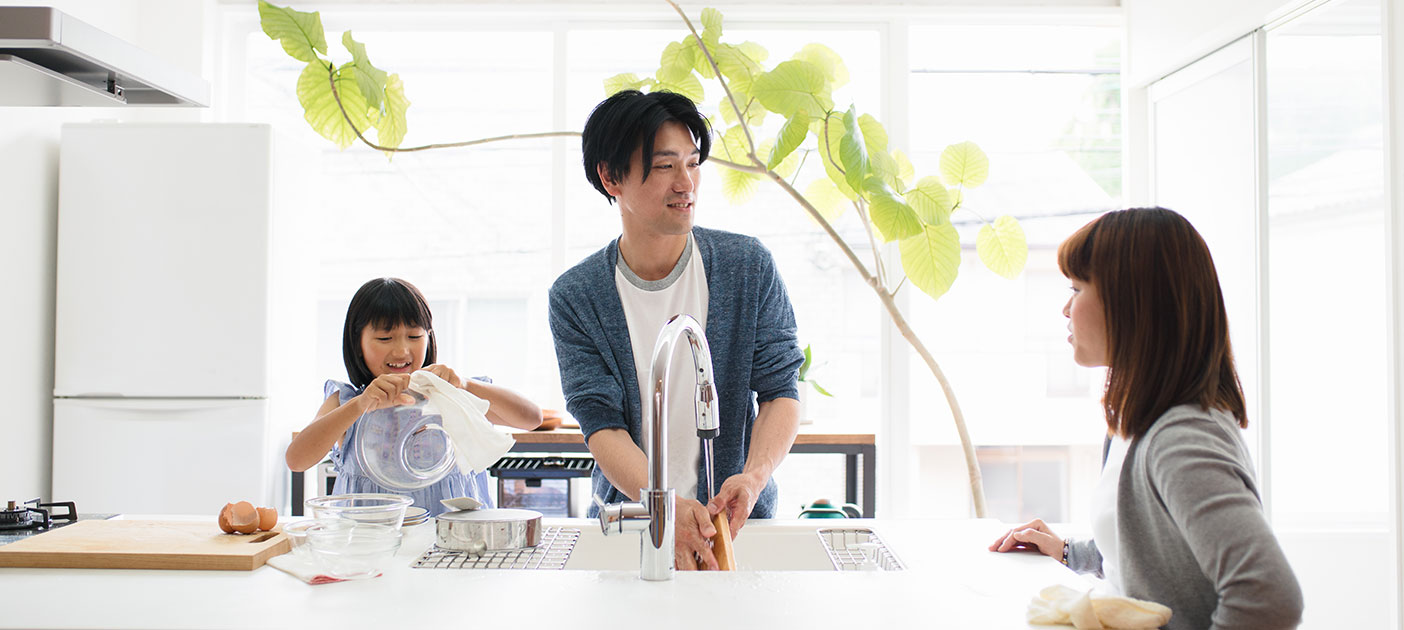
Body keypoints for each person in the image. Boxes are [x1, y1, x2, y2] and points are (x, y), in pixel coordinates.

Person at [988, 208, 1303, 630]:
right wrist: (1066, 551)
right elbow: (1145, 560)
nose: (1066, 309)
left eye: (1077, 288)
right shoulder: (1134, 424)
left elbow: (1270, 596)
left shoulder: (1181, 437)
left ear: (1131, 304)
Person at [548, 90, 804, 570]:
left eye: (693, 162)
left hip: (739, 529)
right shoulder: (577, 296)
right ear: (610, 177)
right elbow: (601, 426)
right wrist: (661, 500)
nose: (686, 182)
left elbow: (780, 390)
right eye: (665, 166)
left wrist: (753, 477)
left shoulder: (747, 266)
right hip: (634, 527)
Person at [286, 277, 542, 516]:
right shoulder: (347, 400)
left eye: (414, 336)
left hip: (454, 548)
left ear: (429, 337)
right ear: (357, 342)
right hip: (374, 549)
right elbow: (297, 460)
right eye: (385, 338)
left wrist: (465, 384)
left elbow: (531, 418)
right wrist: (360, 405)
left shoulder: (450, 396)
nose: (402, 350)